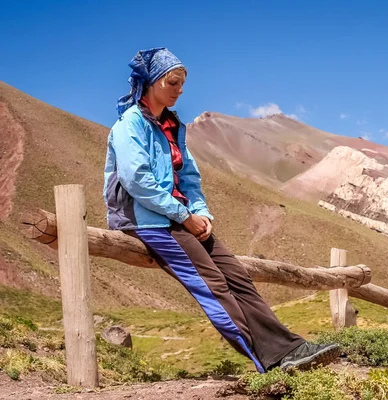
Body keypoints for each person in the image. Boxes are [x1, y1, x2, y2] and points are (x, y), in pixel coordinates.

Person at [103, 47, 340, 373]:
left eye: (183, 83)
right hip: (150, 221)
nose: (180, 89)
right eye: (173, 82)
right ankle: (270, 362)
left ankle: (290, 349)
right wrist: (185, 217)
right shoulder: (130, 125)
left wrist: (202, 214)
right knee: (213, 286)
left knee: (239, 278)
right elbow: (137, 180)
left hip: (179, 218)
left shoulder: (173, 127)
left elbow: (189, 177)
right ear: (154, 82)